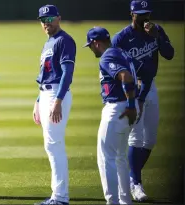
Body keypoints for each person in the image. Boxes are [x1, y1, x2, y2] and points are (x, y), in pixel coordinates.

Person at [111, 0, 174, 201]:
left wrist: (158, 38)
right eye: (141, 14)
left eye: (147, 13)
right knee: (136, 139)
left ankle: (131, 176)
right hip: (132, 90)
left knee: (150, 140)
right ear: (132, 14)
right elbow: (110, 66)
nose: (145, 17)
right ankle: (136, 184)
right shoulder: (121, 38)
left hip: (151, 86)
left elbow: (170, 54)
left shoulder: (156, 30)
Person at [83, 26, 142, 204]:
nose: (91, 49)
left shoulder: (107, 56)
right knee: (120, 157)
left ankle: (112, 201)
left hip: (118, 108)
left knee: (106, 158)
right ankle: (125, 201)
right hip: (127, 107)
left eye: (90, 45)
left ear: (96, 43)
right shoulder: (122, 53)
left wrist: (131, 105)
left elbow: (126, 77)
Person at [33, 4, 76, 205]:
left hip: (56, 94)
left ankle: (60, 198)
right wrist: (38, 100)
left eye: (50, 19)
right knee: (50, 145)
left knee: (54, 145)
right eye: (43, 20)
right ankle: (57, 196)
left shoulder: (65, 41)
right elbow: (45, 75)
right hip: (47, 94)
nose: (46, 23)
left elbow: (67, 73)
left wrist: (57, 101)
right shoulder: (48, 42)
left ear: (58, 18)